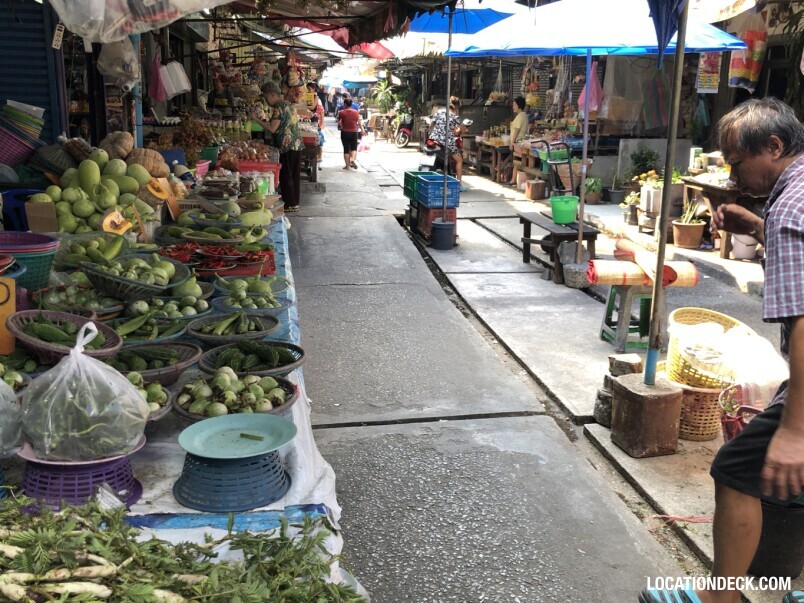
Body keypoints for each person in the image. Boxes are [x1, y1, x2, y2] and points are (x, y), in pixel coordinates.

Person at [639, 98, 804, 603]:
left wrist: (796, 430)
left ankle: (723, 598)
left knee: (736, 468)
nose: (733, 175)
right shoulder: (793, 197)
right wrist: (754, 226)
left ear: (773, 146)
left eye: (737, 162)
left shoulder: (790, 209)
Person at [252, 81, 304, 212]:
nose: (266, 101)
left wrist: (256, 119)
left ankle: (289, 204)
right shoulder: (288, 105)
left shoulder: (278, 107)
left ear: (272, 94)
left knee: (286, 176)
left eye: (266, 97)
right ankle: (294, 203)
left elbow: (272, 128)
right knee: (294, 175)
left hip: (286, 145)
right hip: (296, 144)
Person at [429, 96, 467, 191]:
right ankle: (459, 184)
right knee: (459, 160)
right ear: (456, 107)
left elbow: (431, 125)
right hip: (447, 142)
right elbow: (456, 132)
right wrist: (464, 128)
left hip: (433, 139)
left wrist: (432, 134)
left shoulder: (439, 112)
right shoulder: (455, 117)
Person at [498, 96, 529, 187]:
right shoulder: (524, 115)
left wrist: (512, 142)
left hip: (518, 143)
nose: (513, 106)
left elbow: (517, 130)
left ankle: (513, 180)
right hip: (521, 142)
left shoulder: (520, 116)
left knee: (516, 161)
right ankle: (512, 180)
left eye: (514, 105)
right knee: (516, 161)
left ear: (519, 105)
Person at [337, 97, 365, 170]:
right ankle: (352, 159)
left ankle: (347, 166)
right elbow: (359, 122)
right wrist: (362, 130)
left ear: (345, 104)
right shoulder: (356, 112)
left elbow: (339, 121)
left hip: (345, 132)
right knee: (354, 148)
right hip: (353, 132)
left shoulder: (341, 112)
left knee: (346, 149)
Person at [307, 81, 325, 169]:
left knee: (319, 141)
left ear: (314, 89)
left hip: (315, 122)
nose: (307, 90)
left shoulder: (316, 97)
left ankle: (319, 156)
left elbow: (314, 107)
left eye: (309, 89)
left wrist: (322, 124)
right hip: (311, 120)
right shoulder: (308, 96)